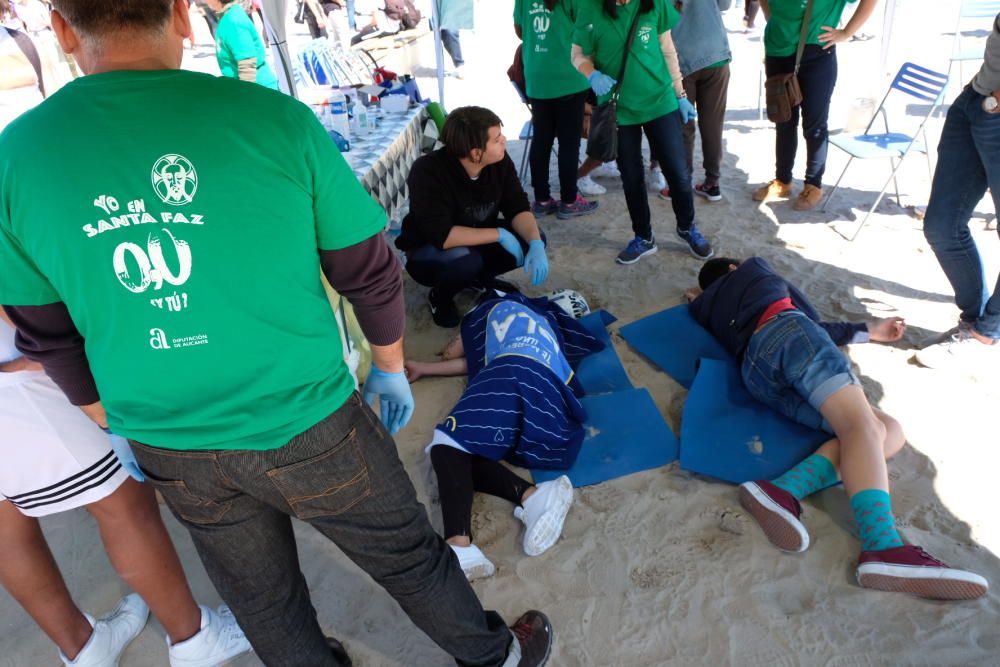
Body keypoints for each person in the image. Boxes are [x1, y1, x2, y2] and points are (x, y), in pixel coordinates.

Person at [0, 2, 552, 665]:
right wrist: (389, 362)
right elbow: (368, 269)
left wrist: (108, 416)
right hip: (308, 418)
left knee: (264, 599)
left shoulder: (17, 155)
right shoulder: (271, 117)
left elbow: (44, 332)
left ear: (61, 30)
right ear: (182, 16)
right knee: (408, 556)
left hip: (171, 438)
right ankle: (498, 658)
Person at [686, 257, 989, 600]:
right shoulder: (754, 269)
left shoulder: (705, 310)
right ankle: (883, 545)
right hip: (789, 333)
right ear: (732, 268)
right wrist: (866, 329)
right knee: (860, 425)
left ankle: (784, 491)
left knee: (886, 429)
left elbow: (717, 308)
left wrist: (700, 298)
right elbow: (807, 322)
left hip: (757, 374)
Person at [0, 309, 251, 667]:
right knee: (123, 502)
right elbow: (17, 294)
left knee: (5, 525)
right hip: (19, 382)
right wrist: (51, 352)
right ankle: (193, 638)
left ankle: (83, 648)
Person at [405, 289, 605, 579]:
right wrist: (424, 369)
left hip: (511, 373)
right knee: (455, 453)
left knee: (446, 442)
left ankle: (459, 543)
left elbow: (460, 354)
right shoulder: (549, 326)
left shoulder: (493, 310)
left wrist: (440, 354)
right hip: (552, 403)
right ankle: (531, 497)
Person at [572, 0, 714, 265]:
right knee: (631, 175)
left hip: (660, 100)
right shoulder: (590, 8)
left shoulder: (654, 4)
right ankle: (644, 236)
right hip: (618, 107)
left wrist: (680, 93)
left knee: (678, 172)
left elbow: (667, 50)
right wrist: (592, 76)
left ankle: (687, 227)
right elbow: (578, 55)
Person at [396, 106, 550, 328]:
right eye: (497, 139)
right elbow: (443, 236)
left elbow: (517, 206)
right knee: (467, 260)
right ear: (476, 152)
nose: (504, 141)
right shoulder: (428, 170)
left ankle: (478, 279)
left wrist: (535, 243)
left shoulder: (499, 162)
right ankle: (441, 296)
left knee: (534, 237)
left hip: (475, 236)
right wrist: (499, 234)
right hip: (429, 249)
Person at [915, 12, 1000, 371]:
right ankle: (974, 317)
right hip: (977, 99)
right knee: (941, 225)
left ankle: (986, 332)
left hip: (993, 103)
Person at [751, 0, 877, 211]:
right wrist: (770, 16)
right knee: (783, 120)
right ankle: (782, 181)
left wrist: (846, 32)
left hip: (816, 53)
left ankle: (813, 185)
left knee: (815, 124)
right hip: (777, 50)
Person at [514, 0, 599, 220]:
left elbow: (519, 29)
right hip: (570, 76)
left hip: (537, 76)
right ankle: (569, 201)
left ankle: (542, 200)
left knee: (541, 139)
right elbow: (589, 28)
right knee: (569, 143)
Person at [665, 0, 731, 203]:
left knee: (684, 125)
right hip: (715, 54)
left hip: (681, 57)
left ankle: (682, 183)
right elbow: (725, 5)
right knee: (713, 124)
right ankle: (713, 183)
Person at [205, 0, 278, 89]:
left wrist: (245, 96)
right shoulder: (228, 16)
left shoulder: (233, 20)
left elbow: (247, 64)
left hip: (259, 91)